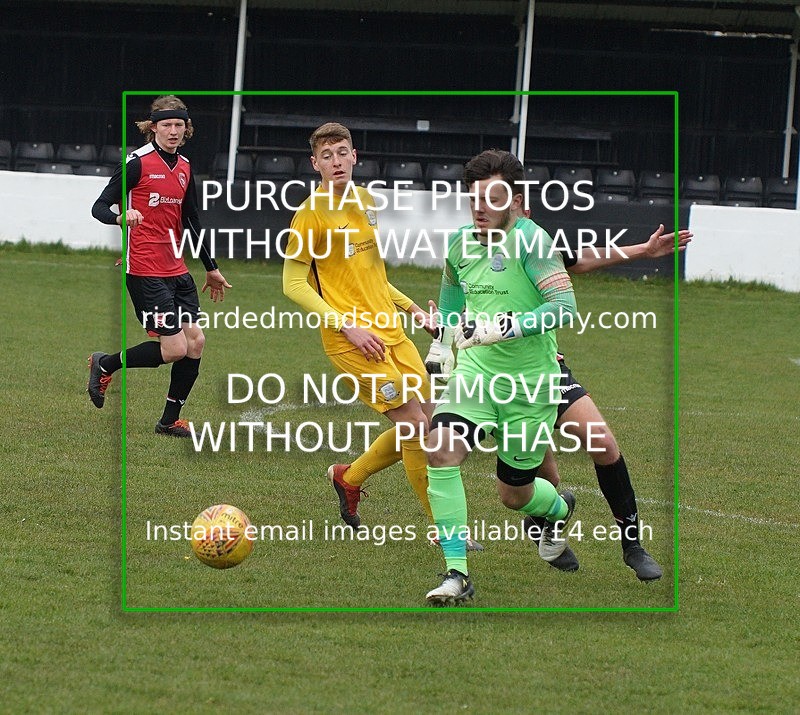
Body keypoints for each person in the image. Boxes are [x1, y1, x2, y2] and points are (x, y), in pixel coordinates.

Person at [423, 150, 579, 605]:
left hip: (530, 386)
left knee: (514, 495)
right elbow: (452, 304)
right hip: (476, 375)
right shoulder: (459, 244)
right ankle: (457, 573)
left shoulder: (534, 242)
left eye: (492, 197)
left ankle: (557, 506)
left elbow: (564, 308)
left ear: (516, 199)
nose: (481, 207)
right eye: (474, 198)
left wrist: (506, 325)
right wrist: (443, 346)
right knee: (441, 451)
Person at [282, 122, 437, 529]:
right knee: (419, 430)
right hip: (353, 342)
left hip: (392, 333)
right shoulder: (310, 215)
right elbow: (292, 283)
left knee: (425, 421)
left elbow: (372, 276)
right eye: (327, 156)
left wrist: (414, 311)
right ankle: (445, 530)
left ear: (355, 156)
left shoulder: (366, 201)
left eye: (342, 152)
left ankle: (348, 478)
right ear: (315, 163)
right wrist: (345, 325)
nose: (336, 161)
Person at [521, 222, 692, 581]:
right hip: (505, 381)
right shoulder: (472, 252)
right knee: (546, 486)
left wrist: (642, 251)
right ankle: (543, 522)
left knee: (604, 443)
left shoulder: (533, 242)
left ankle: (633, 546)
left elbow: (579, 260)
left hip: (549, 371)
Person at [87, 94, 231, 437]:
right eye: (166, 124)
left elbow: (191, 220)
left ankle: (168, 421)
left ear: (186, 129)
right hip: (144, 270)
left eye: (179, 125)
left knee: (195, 342)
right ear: (153, 128)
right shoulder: (136, 163)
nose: (173, 130)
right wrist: (122, 216)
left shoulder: (184, 168)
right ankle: (105, 363)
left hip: (177, 270)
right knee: (175, 348)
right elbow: (99, 207)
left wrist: (210, 268)